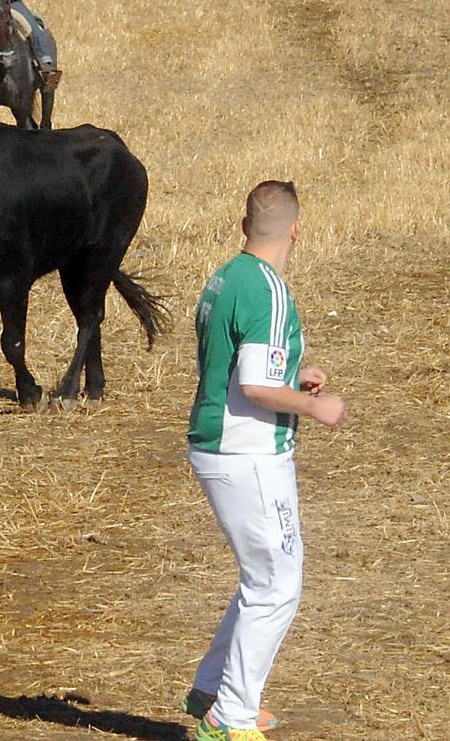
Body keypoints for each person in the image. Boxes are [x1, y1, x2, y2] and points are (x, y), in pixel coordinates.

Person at [182, 181, 347, 741]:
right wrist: (314, 405)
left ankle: (213, 689)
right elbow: (253, 385)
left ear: (243, 223)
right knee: (277, 584)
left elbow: (234, 362)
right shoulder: (269, 292)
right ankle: (231, 718)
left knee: (262, 578)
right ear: (297, 229)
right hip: (247, 451)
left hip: (218, 443)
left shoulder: (226, 277)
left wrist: (292, 375)